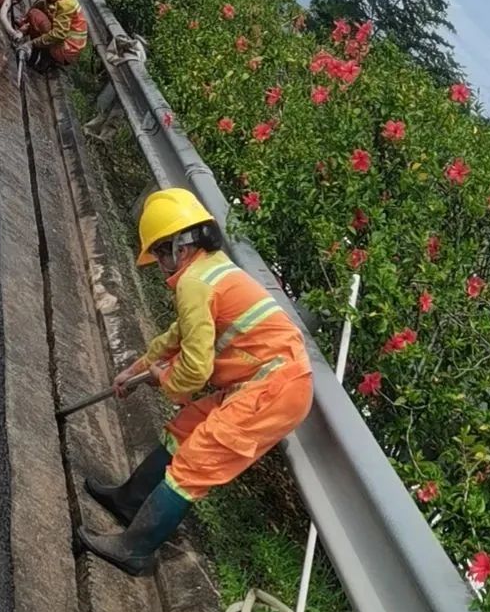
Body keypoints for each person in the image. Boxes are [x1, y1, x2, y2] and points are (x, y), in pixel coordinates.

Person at [78, 189, 314, 576]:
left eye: (160, 253)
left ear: (181, 246)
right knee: (184, 430)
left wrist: (165, 379)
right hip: (262, 382)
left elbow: (195, 369)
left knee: (195, 462)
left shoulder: (194, 283)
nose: (159, 264)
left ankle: (135, 550)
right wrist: (138, 369)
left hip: (274, 390)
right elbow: (180, 335)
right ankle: (130, 501)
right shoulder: (211, 270)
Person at [19, 0, 88, 73]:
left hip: (65, 50)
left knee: (35, 14)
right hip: (69, 49)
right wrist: (25, 25)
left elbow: (58, 34)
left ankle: (43, 58)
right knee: (39, 7)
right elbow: (45, 6)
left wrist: (32, 43)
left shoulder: (65, 4)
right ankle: (39, 55)